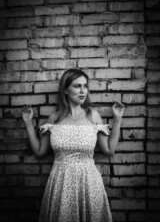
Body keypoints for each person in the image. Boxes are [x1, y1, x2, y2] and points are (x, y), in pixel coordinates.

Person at [22, 68, 124, 222]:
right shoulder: (54, 118)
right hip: (60, 183)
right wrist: (28, 123)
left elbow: (109, 150)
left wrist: (117, 119)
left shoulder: (93, 116)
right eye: (77, 86)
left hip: (89, 184)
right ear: (65, 90)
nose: (83, 91)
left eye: (85, 86)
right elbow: (39, 152)